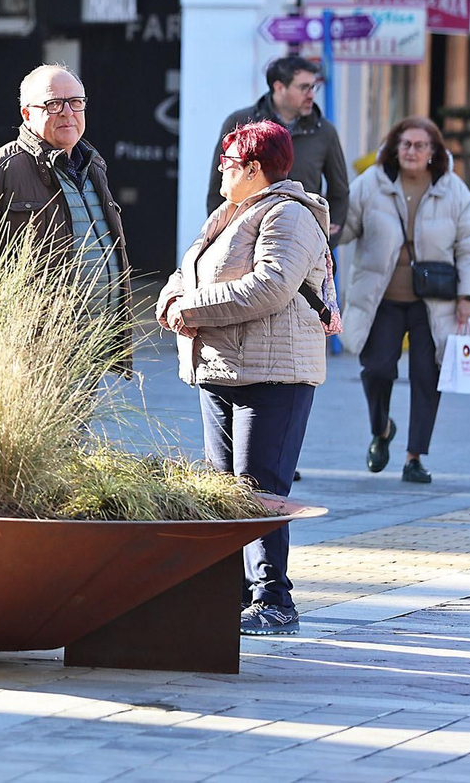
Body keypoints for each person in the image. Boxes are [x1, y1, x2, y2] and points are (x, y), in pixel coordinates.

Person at [157, 120, 330, 636]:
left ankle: (274, 600)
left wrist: (191, 309)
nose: (220, 170)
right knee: (223, 490)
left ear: (254, 169)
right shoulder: (230, 213)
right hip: (221, 368)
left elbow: (270, 287)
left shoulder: (288, 214)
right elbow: (188, 272)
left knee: (259, 490)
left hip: (274, 375)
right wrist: (171, 299)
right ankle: (230, 595)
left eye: (228, 162)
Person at [0, 64, 132, 369]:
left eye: (76, 102)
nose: (67, 113)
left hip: (92, 349)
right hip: (28, 357)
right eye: (53, 104)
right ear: (26, 114)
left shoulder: (93, 167)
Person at [338, 117, 470, 484]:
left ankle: (414, 457)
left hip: (434, 302)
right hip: (381, 297)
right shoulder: (371, 183)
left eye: (420, 145)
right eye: (405, 144)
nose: (412, 151)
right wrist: (321, 226)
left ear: (434, 151)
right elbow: (345, 227)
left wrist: (468, 296)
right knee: (376, 368)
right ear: (394, 147)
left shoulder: (452, 190)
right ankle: (382, 429)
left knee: (426, 374)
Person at [207, 55, 349, 242]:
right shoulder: (240, 123)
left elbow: (340, 191)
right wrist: (220, 238)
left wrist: (327, 238)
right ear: (279, 87)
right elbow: (217, 187)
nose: (311, 95)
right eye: (304, 87)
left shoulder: (324, 132)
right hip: (244, 241)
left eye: (313, 87)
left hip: (302, 242)